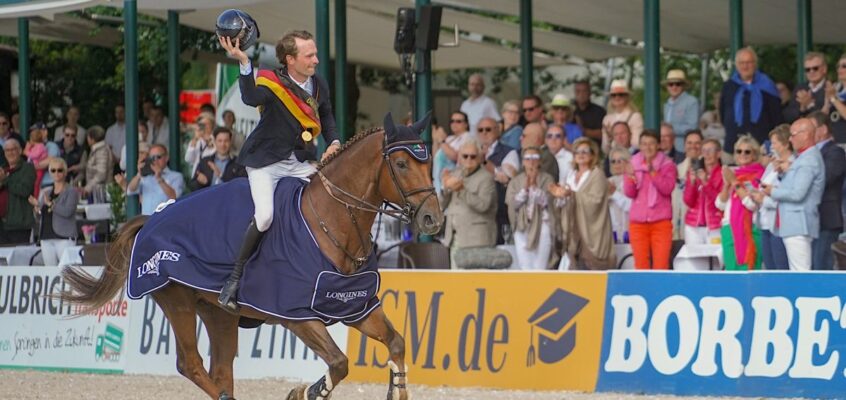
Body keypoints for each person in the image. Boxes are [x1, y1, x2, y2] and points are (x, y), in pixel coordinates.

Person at [216, 29, 341, 311]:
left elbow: (328, 115)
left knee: (333, 192)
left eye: (315, 54)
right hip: (264, 162)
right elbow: (249, 97)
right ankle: (232, 282)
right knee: (264, 217)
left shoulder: (318, 84)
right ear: (290, 59)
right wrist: (243, 62)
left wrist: (333, 140)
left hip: (296, 162)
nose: (317, 60)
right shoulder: (273, 83)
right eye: (309, 55)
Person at [760, 118, 824, 271]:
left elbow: (797, 194)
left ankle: (803, 295)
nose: (790, 139)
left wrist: (772, 191)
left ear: (806, 135)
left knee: (800, 271)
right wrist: (783, 174)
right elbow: (796, 186)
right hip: (795, 224)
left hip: (798, 224)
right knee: (796, 271)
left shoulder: (809, 159)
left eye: (793, 135)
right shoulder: (805, 157)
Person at [552, 138, 615, 269]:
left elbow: (595, 202)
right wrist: (560, 195)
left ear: (592, 155)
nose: (580, 155)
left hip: (591, 231)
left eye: (585, 151)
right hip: (572, 229)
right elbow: (565, 201)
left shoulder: (596, 174)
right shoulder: (570, 174)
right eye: (577, 152)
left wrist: (572, 195)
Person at [623, 129, 677, 269]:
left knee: (661, 265)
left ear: (658, 145)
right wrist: (630, 178)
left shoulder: (668, 165)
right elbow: (629, 193)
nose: (647, 147)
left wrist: (653, 172)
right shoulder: (633, 164)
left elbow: (667, 188)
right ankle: (643, 290)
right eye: (644, 144)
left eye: (651, 143)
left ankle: (661, 290)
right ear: (639, 146)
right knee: (641, 265)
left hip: (660, 222)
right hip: (638, 223)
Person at [440, 140, 497, 268]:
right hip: (454, 238)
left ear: (480, 157)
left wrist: (461, 190)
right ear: (459, 156)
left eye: (473, 156)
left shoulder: (486, 178)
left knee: (475, 282)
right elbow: (441, 205)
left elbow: (483, 205)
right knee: (456, 282)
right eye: (465, 156)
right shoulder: (455, 174)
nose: (468, 159)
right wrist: (445, 188)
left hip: (477, 240)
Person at [719, 46, 783, 152]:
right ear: (737, 65)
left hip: (761, 145)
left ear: (755, 64)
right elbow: (723, 113)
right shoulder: (729, 86)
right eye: (741, 63)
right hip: (733, 145)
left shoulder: (767, 85)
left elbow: (777, 117)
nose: (745, 66)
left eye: (749, 62)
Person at [716, 135, 765, 270]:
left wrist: (734, 183)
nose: (742, 154)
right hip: (729, 228)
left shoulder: (760, 174)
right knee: (731, 272)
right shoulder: (734, 173)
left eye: (747, 151)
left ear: (754, 154)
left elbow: (752, 204)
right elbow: (720, 204)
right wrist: (727, 185)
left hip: (750, 227)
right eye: (739, 151)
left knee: (749, 272)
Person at [506, 147, 556, 270]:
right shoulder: (515, 181)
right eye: (527, 158)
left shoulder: (547, 178)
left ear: (540, 161)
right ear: (523, 162)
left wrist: (534, 187)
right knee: (525, 266)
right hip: (522, 226)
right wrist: (525, 190)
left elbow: (549, 202)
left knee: (540, 266)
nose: (531, 162)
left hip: (542, 226)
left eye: (535, 158)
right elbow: (512, 204)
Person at [750, 125, 792, 269]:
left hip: (779, 224)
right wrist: (756, 195)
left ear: (786, 144)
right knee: (769, 268)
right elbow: (764, 187)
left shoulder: (793, 164)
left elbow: (788, 194)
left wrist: (764, 199)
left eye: (774, 143)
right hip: (765, 223)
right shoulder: (771, 165)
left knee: (781, 268)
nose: (771, 147)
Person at [810, 111, 845, 270]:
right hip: (813, 220)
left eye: (812, 129)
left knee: (822, 266)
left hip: (827, 219)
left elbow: (826, 178)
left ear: (823, 129)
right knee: (813, 266)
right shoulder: (810, 154)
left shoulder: (835, 152)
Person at [28, 158, 78, 266]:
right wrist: (37, 209)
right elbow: (39, 216)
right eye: (53, 170)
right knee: (50, 271)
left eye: (59, 170)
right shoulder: (46, 191)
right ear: (50, 172)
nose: (56, 173)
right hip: (46, 237)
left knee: (68, 271)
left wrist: (51, 204)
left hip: (64, 237)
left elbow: (68, 212)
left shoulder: (71, 191)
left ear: (65, 172)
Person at [477, 117, 519, 244]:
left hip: (498, 208)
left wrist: (484, 161)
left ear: (497, 131)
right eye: (480, 130)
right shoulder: (470, 151)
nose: (484, 133)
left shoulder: (509, 152)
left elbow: (508, 179)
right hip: (475, 206)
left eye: (488, 129)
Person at [120, 144, 185, 215]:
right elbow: (131, 189)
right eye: (152, 158)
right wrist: (139, 175)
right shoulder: (146, 176)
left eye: (158, 157)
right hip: (146, 219)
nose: (155, 161)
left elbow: (175, 197)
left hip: (165, 219)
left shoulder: (176, 176)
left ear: (166, 158)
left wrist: (159, 179)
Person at [682, 139, 723, 246]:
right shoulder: (695, 172)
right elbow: (688, 202)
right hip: (693, 225)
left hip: (715, 225)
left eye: (710, 150)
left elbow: (720, 203)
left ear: (718, 153)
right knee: (695, 261)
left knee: (715, 261)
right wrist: (691, 183)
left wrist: (705, 182)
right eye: (704, 150)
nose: (707, 154)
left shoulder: (723, 173)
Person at [0, 138, 35, 244]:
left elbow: (25, 190)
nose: (10, 153)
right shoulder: (3, 169)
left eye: (13, 149)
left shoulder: (28, 168)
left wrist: (5, 180)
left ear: (20, 151)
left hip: (19, 225)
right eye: (7, 150)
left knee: (19, 259)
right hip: (2, 225)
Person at [432, 111, 472, 194]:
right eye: (452, 121)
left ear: (466, 124)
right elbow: (436, 155)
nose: (454, 123)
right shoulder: (449, 138)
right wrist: (436, 140)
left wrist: (442, 140)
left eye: (458, 121)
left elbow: (455, 157)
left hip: (453, 180)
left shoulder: (468, 137)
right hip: (438, 179)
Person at [784, 52, 829, 122]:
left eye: (815, 68)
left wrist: (810, 104)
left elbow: (828, 117)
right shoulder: (799, 88)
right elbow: (787, 115)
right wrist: (802, 108)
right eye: (807, 69)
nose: (811, 72)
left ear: (824, 69)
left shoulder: (831, 88)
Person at [602, 80, 643, 154]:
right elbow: (605, 149)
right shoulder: (606, 119)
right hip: (612, 157)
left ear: (627, 97)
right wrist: (609, 139)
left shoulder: (635, 116)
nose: (617, 97)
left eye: (620, 94)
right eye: (613, 95)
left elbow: (637, 144)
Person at [663, 69, 700, 150]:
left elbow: (692, 127)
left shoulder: (691, 101)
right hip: (667, 149)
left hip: (682, 148)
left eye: (678, 84)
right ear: (667, 87)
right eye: (671, 84)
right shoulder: (666, 104)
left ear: (683, 86)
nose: (674, 87)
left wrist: (669, 130)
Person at [78, 126, 114, 199]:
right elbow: (94, 165)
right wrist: (79, 167)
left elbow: (101, 174)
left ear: (92, 139)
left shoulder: (101, 151)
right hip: (97, 190)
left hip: (101, 192)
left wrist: (88, 187)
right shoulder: (98, 149)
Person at [607, 147, 632, 244]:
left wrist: (614, 193)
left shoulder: (633, 180)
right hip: (611, 234)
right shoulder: (606, 182)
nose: (616, 164)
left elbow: (632, 207)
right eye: (613, 161)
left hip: (629, 232)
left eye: (619, 161)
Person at [24, 123, 49, 197]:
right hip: (32, 168)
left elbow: (35, 155)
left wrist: (26, 152)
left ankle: (36, 196)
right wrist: (28, 148)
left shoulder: (40, 145)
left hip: (39, 169)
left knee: (37, 183)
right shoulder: (34, 146)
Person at [825, 54, 846, 143]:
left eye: (844, 66)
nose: (839, 69)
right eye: (838, 66)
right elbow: (824, 116)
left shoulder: (834, 94)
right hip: (833, 142)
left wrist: (833, 99)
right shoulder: (835, 89)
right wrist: (827, 100)